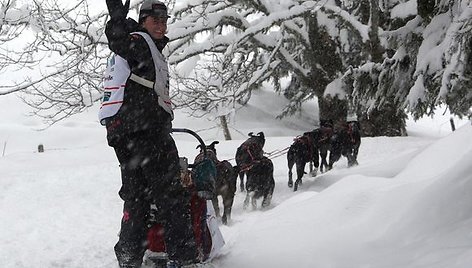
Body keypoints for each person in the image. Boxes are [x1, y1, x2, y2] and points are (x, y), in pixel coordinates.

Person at [99, 0, 200, 267]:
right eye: (154, 19)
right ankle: (183, 258)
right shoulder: (140, 42)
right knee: (171, 197)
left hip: (125, 134)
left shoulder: (146, 47)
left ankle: (129, 256)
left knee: (137, 198)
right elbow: (120, 42)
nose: (161, 24)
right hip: (146, 132)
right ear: (142, 21)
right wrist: (117, 20)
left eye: (164, 20)